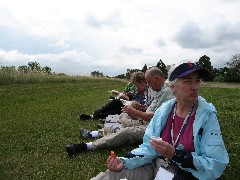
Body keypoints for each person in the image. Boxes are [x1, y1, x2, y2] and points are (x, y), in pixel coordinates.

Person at [91, 62, 229, 180]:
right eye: (188, 81)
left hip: (182, 173)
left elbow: (215, 163)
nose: (195, 86)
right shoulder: (165, 110)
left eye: (197, 81)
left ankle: (94, 137)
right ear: (173, 87)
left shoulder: (207, 116)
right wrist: (125, 161)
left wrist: (176, 155)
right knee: (113, 174)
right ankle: (91, 140)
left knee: (126, 131)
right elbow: (149, 147)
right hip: (156, 163)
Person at [65, 67, 174, 157]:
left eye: (149, 82)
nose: (148, 85)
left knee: (126, 132)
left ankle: (88, 146)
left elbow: (158, 117)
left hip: (153, 127)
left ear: (158, 79)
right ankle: (92, 133)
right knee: (121, 120)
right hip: (145, 120)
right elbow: (154, 109)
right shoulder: (160, 91)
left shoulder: (167, 92)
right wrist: (142, 108)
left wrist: (136, 112)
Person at [79, 72, 147, 120]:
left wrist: (138, 107)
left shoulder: (148, 93)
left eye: (137, 85)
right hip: (130, 105)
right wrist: (127, 95)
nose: (135, 87)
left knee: (118, 111)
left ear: (143, 83)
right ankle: (98, 112)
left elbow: (146, 109)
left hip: (136, 111)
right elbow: (129, 97)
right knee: (116, 102)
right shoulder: (136, 91)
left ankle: (94, 116)